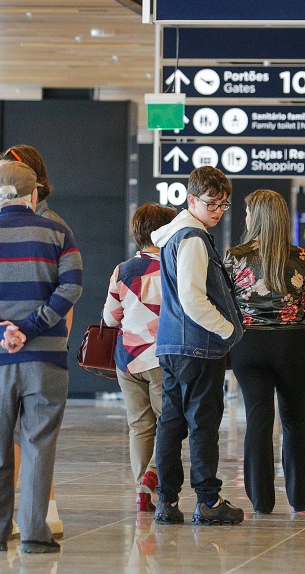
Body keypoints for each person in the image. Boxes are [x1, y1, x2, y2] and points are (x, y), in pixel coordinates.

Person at [0, 160, 82, 554]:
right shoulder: (59, 233)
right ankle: (36, 533)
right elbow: (72, 286)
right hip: (46, 359)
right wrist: (33, 326)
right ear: (35, 194)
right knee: (39, 445)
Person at [150, 165, 244, 526]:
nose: (218, 211)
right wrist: (226, 330)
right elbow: (192, 297)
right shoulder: (192, 238)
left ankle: (167, 502)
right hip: (198, 347)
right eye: (212, 204)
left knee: (171, 425)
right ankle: (208, 500)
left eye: (223, 205)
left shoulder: (175, 234)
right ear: (192, 199)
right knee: (203, 425)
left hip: (171, 344)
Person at [225, 189, 305, 515]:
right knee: (295, 419)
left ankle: (262, 500)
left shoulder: (234, 256)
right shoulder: (302, 257)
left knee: (258, 420)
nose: (245, 218)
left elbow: (227, 302)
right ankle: (301, 496)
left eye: (248, 212)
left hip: (249, 344)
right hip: (293, 342)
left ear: (258, 216)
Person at [103, 203, 177, 512]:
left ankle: (141, 489)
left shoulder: (123, 270)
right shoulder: (173, 269)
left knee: (139, 425)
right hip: (162, 358)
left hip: (127, 359)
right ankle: (154, 474)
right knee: (169, 422)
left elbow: (109, 318)